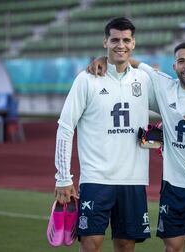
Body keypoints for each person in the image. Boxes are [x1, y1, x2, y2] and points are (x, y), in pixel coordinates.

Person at [88, 42, 185, 252]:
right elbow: (133, 62)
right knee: (172, 247)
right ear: (174, 66)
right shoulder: (165, 85)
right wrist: (104, 60)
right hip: (174, 186)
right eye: (181, 61)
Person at [54, 17, 157, 252]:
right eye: (115, 40)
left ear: (133, 44)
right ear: (105, 42)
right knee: (91, 244)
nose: (120, 45)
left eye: (126, 40)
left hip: (133, 179)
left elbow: (172, 104)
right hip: (96, 178)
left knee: (125, 245)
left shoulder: (144, 80)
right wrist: (63, 177)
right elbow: (66, 126)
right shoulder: (87, 79)